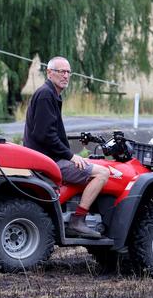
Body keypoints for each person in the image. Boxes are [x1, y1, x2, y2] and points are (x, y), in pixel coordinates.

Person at [24, 56, 109, 239]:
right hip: (47, 161)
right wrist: (70, 156)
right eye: (61, 71)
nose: (65, 76)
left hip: (47, 157)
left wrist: (73, 156)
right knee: (103, 173)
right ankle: (78, 220)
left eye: (68, 72)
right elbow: (45, 135)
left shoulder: (52, 94)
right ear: (49, 72)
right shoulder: (46, 95)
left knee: (89, 165)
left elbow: (51, 132)